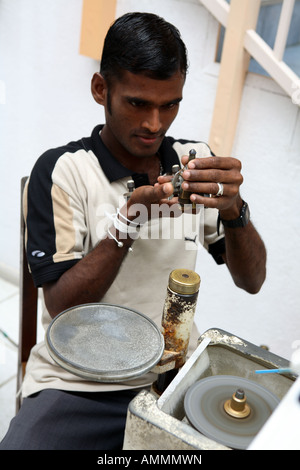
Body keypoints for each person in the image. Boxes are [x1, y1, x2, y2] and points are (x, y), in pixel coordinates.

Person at [1, 12, 266, 450]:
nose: (155, 124)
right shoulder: (62, 172)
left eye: (170, 104)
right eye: (138, 103)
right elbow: (62, 304)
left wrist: (235, 209)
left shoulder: (194, 161)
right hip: (79, 383)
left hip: (171, 374)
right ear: (101, 90)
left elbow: (252, 281)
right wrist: (129, 222)